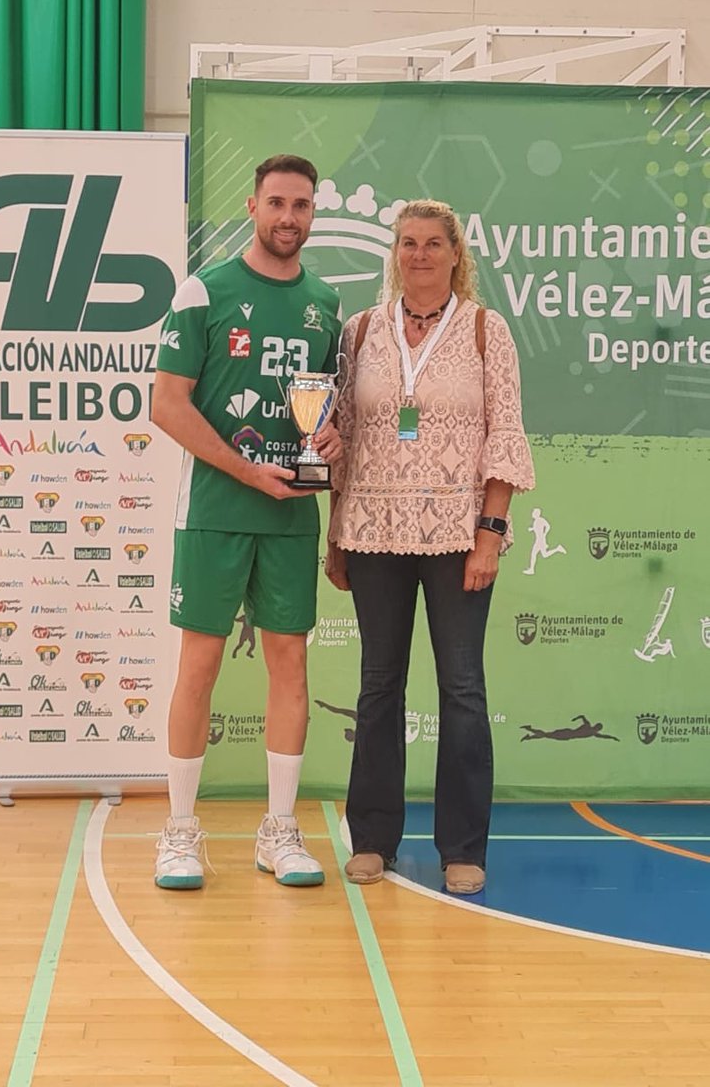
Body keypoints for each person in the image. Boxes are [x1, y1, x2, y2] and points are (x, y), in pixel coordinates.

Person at [325, 199, 535, 894]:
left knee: (463, 689)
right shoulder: (360, 331)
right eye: (407, 243)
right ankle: (372, 838)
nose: (418, 254)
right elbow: (343, 436)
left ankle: (463, 847)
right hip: (372, 532)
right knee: (378, 685)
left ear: (455, 254)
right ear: (395, 253)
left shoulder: (484, 329)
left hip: (457, 536)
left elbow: (505, 433)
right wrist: (336, 533)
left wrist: (490, 534)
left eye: (432, 243)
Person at [151, 153, 342, 890]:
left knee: (290, 663)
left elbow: (321, 409)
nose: (288, 217)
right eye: (277, 202)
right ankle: (179, 833)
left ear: (313, 212)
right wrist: (243, 470)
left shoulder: (326, 302)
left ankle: (280, 831)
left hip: (291, 514)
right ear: (252, 205)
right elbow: (167, 405)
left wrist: (329, 439)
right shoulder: (205, 290)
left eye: (301, 205)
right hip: (215, 511)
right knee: (199, 664)